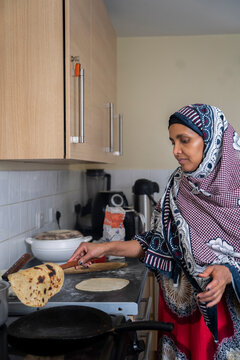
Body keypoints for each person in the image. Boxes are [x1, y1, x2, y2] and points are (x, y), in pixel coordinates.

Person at [68, 104, 240, 359]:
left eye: (184, 140)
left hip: (222, 316)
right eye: (172, 141)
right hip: (177, 310)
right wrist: (103, 248)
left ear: (213, 140)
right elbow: (157, 242)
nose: (175, 151)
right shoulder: (179, 185)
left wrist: (229, 273)